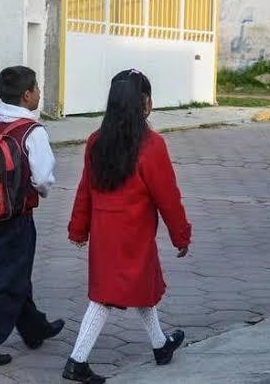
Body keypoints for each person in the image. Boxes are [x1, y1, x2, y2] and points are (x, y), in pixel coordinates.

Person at [62, 69, 192, 383]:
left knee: (140, 290)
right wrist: (181, 235)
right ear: (144, 103)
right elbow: (168, 197)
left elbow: (85, 190)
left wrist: (78, 229)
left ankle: (161, 346)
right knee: (105, 298)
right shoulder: (152, 145)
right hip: (134, 235)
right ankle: (76, 362)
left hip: (106, 234)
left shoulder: (96, 141)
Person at [0, 66, 65, 368]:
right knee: (7, 278)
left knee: (13, 269)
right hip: (18, 214)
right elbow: (43, 178)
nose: (38, 93)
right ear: (27, 95)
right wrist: (42, 191)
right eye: (36, 88)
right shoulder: (32, 131)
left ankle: (34, 327)